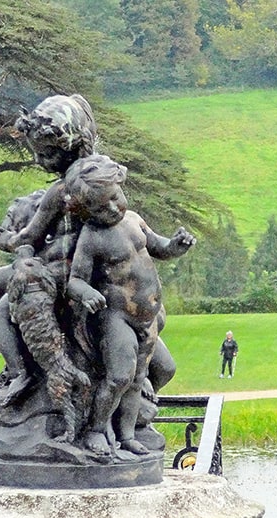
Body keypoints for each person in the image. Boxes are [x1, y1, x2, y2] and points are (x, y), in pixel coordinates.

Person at [65, 154, 195, 456]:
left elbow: (159, 247)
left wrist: (176, 247)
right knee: (120, 377)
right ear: (85, 211)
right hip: (117, 317)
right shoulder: (92, 237)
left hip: (147, 319)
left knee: (138, 379)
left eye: (115, 198)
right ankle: (97, 430)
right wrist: (85, 293)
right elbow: (75, 280)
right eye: (99, 207)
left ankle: (127, 436)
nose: (111, 209)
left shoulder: (134, 219)